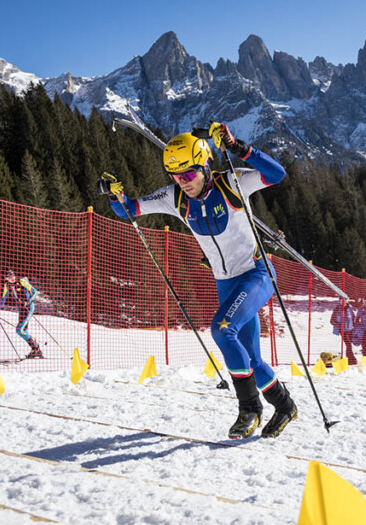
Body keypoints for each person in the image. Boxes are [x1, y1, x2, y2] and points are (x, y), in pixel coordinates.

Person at [102, 122, 297, 439]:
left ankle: (249, 409)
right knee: (253, 360)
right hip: (226, 282)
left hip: (256, 273)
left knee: (222, 328)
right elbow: (129, 210)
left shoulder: (233, 183)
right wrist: (116, 195)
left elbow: (277, 175)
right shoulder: (174, 198)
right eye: (176, 177)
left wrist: (238, 148)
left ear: (205, 164)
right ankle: (286, 406)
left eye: (189, 174)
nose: (184, 183)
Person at [0, 271, 42, 360]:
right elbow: (3, 299)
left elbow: (35, 292)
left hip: (28, 308)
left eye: (13, 276)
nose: (12, 278)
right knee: (23, 331)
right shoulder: (7, 286)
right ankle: (35, 350)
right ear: (6, 279)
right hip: (21, 309)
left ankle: (36, 347)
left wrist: (28, 301)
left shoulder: (21, 281)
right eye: (9, 277)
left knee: (19, 330)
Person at [330, 300, 357, 365]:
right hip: (342, 330)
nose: (343, 303)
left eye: (344, 301)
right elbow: (332, 321)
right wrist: (339, 325)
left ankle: (349, 359)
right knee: (348, 344)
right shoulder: (337, 309)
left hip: (350, 329)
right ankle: (352, 359)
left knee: (349, 345)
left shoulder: (350, 308)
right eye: (341, 301)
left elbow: (353, 318)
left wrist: (355, 325)